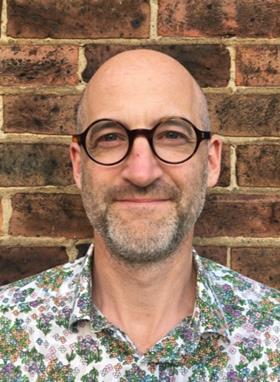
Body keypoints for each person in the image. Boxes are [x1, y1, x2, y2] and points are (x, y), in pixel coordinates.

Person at [0, 49, 279, 382]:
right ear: (78, 164)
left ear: (212, 162)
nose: (142, 172)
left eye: (172, 135)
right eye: (111, 137)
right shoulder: (8, 331)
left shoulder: (271, 334)